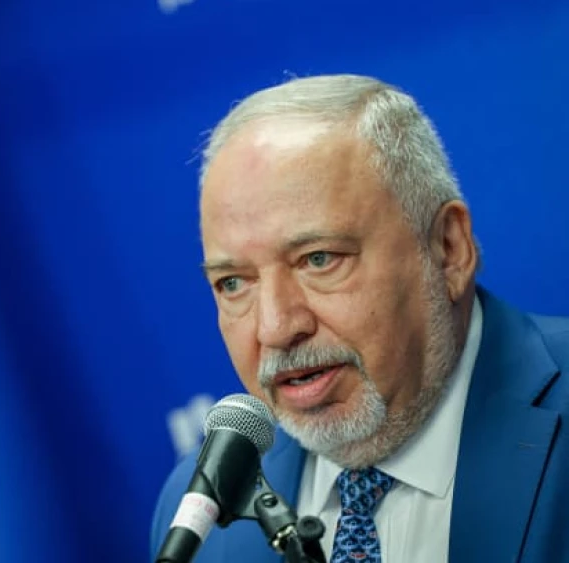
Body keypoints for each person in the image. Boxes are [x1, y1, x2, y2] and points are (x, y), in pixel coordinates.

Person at [149, 74, 569, 563]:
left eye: (319, 259)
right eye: (233, 283)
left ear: (448, 250)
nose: (276, 328)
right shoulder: (201, 516)